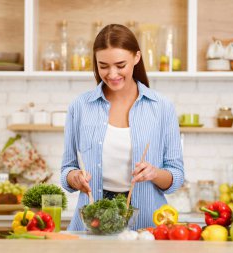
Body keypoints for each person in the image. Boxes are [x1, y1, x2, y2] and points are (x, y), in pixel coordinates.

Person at [61, 24, 184, 230]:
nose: (112, 74)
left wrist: (154, 173)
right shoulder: (80, 106)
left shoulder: (162, 107)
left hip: (147, 224)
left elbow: (176, 176)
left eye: (120, 65)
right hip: (92, 224)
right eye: (103, 66)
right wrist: (75, 178)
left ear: (136, 57)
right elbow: (67, 168)